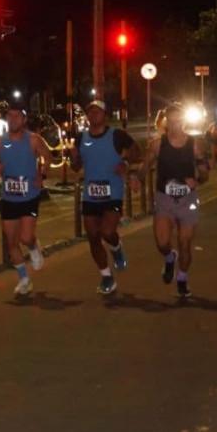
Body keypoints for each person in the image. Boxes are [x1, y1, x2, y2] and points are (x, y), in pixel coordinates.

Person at [69, 100, 141, 295]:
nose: (93, 115)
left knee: (107, 232)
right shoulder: (81, 137)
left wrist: (126, 164)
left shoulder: (116, 135)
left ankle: (116, 248)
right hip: (90, 194)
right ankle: (106, 276)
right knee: (93, 237)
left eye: (97, 111)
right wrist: (73, 156)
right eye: (90, 112)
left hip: (113, 192)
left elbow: (136, 152)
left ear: (105, 115)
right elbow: (76, 166)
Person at [136, 104, 208, 297]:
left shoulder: (194, 144)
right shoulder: (158, 144)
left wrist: (198, 179)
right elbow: (145, 165)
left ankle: (182, 279)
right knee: (162, 243)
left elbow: (204, 172)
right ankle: (169, 258)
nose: (175, 124)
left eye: (179, 120)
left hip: (187, 200)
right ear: (167, 121)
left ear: (183, 121)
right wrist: (137, 178)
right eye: (172, 120)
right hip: (164, 199)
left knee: (185, 242)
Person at [0, 103, 52, 296]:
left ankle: (33, 246)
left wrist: (42, 174)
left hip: (29, 196)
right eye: (10, 116)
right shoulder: (0, 142)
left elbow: (48, 158)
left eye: (17, 116)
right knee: (11, 243)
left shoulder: (33, 140)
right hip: (9, 197)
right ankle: (24, 279)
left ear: (24, 120)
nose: (13, 119)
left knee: (25, 237)